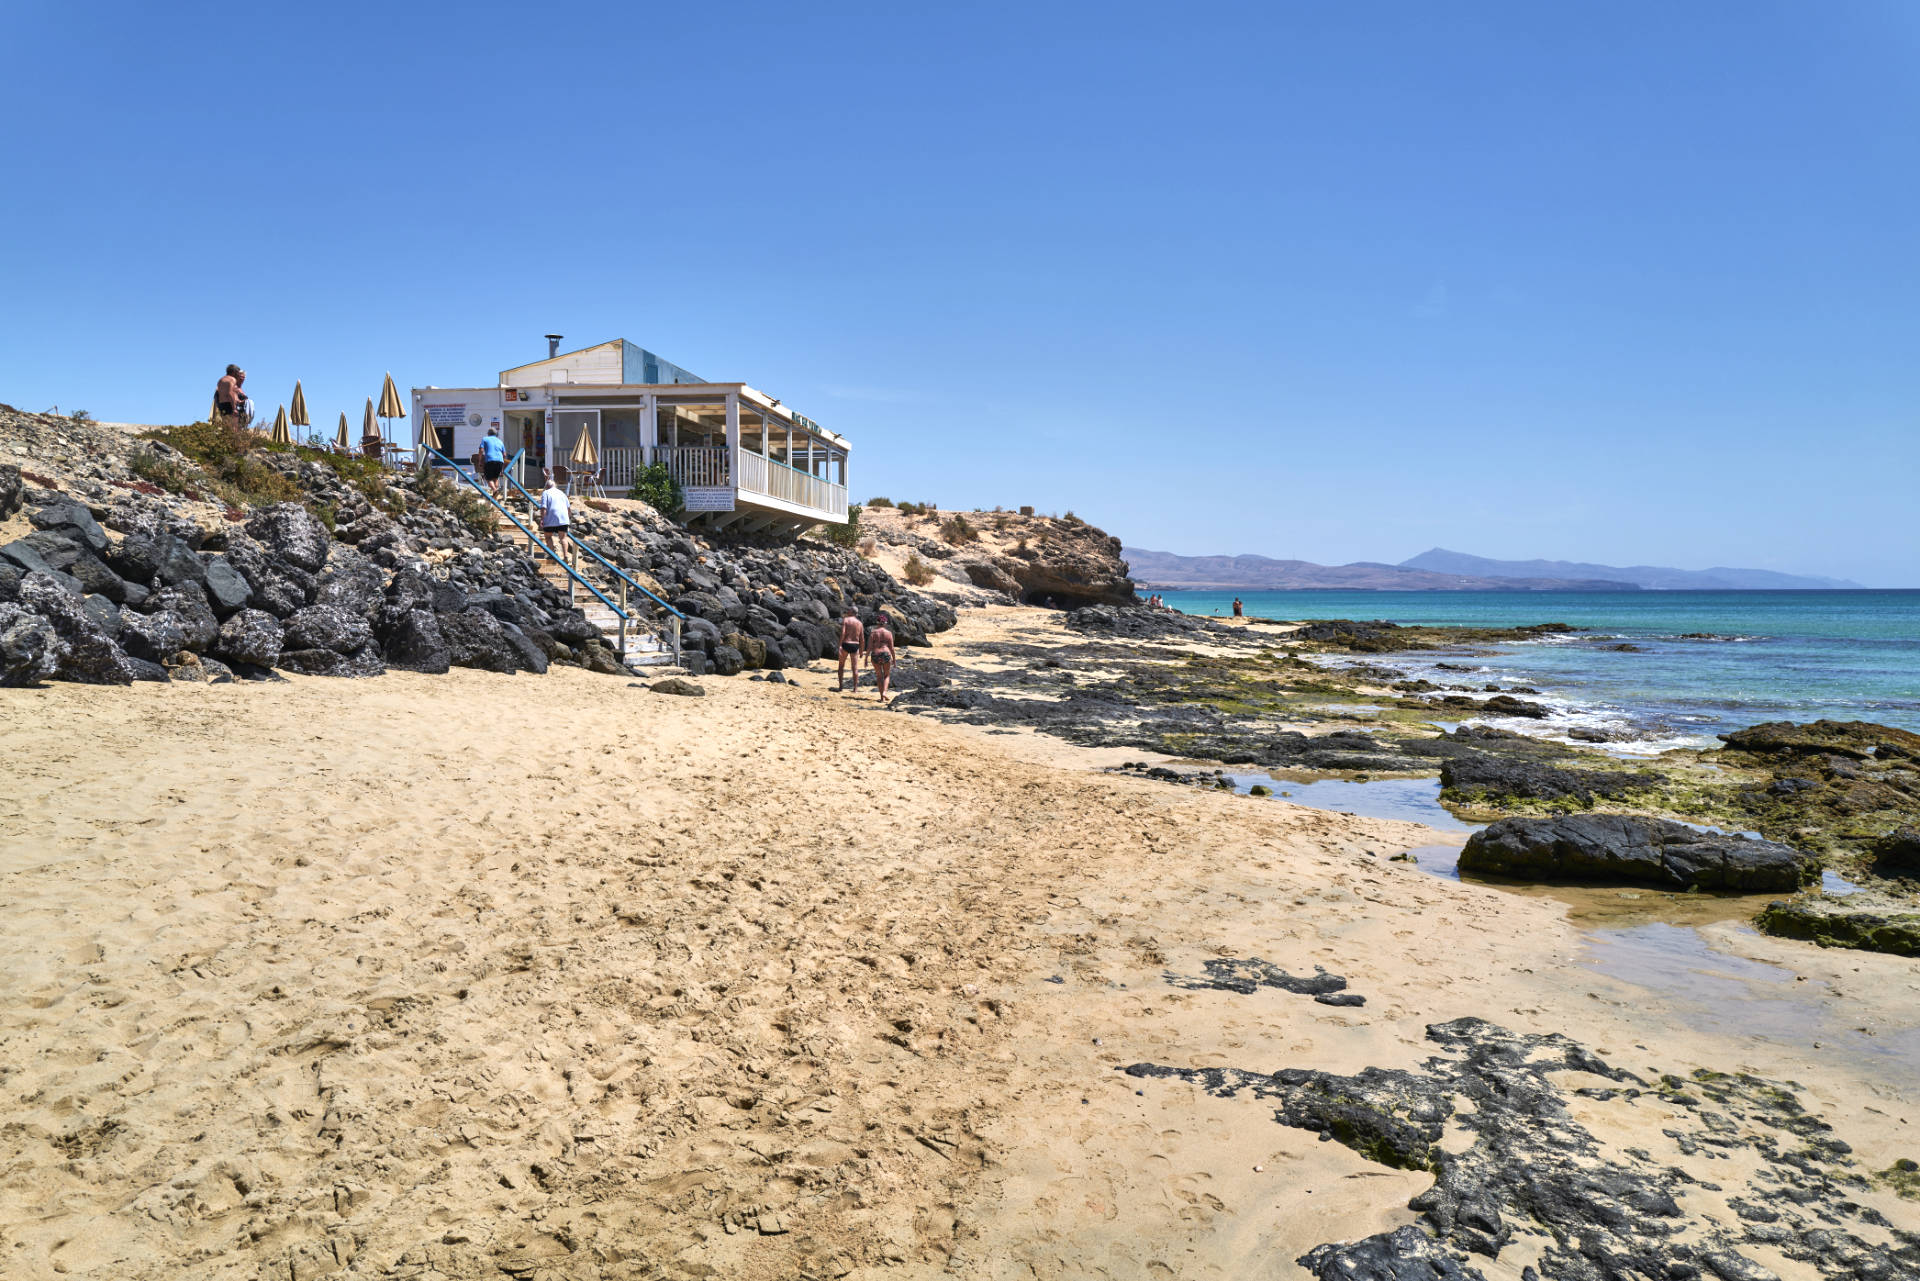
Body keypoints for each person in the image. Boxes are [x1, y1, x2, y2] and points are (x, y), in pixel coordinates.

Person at [867, 611, 896, 704]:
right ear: (885, 623)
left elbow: (869, 647)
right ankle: (884, 692)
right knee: (887, 675)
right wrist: (894, 659)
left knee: (879, 676)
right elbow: (891, 648)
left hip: (875, 654)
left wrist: (866, 658)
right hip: (886, 654)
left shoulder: (873, 633)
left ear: (877, 622)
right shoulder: (888, 633)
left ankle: (882, 698)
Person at [537, 474, 570, 554]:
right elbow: (568, 509)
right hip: (563, 519)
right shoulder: (562, 493)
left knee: (548, 537)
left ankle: (552, 555)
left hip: (550, 518)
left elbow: (544, 508)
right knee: (563, 538)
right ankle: (565, 556)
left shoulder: (546, 493)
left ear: (547, 486)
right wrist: (568, 519)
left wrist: (542, 519)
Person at [836, 605, 864, 692]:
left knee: (841, 666)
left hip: (846, 644)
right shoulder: (859, 623)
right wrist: (862, 651)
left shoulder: (846, 620)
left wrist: (840, 645)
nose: (847, 611)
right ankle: (855, 688)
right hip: (855, 645)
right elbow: (862, 638)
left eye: (849, 610)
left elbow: (843, 633)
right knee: (855, 668)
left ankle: (841, 687)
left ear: (852, 612)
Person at [479, 428, 508, 497]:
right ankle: (495, 495)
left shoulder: (485, 439)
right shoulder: (500, 441)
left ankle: (494, 490)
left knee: (488, 478)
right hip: (500, 461)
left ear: (488, 433)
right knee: (495, 478)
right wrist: (502, 463)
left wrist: (480, 460)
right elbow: (504, 454)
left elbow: (481, 450)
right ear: (496, 434)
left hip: (490, 460)